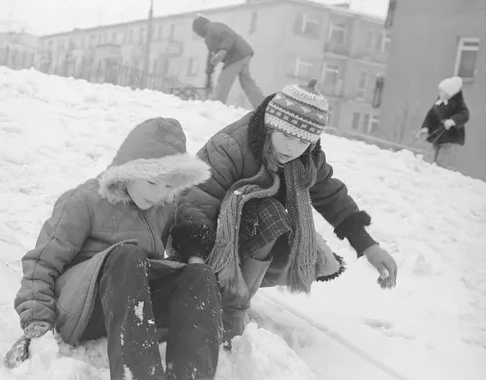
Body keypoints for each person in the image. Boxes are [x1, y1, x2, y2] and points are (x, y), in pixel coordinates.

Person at [3, 117, 221, 380]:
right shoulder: (85, 201)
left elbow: (183, 239)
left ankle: (191, 374)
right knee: (127, 256)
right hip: (81, 308)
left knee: (198, 272)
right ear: (128, 171)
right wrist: (36, 321)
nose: (158, 193)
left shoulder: (161, 207)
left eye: (168, 185)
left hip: (129, 305)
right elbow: (42, 262)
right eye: (152, 182)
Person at [169, 79, 399, 345]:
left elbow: (330, 195)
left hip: (248, 234)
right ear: (270, 125)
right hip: (200, 235)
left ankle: (235, 298)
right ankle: (228, 301)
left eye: (302, 141)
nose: (292, 148)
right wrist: (196, 265)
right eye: (286, 136)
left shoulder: (304, 159)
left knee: (301, 244)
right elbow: (198, 200)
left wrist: (368, 245)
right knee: (269, 213)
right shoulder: (231, 146)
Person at [192, 15, 265, 109]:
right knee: (247, 83)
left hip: (236, 56)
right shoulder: (209, 36)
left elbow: (228, 36)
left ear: (200, 28)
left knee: (224, 80)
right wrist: (209, 75)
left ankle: (215, 106)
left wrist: (223, 50)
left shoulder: (213, 27)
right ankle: (263, 105)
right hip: (244, 54)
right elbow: (211, 57)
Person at [416, 76, 470, 169]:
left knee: (442, 162)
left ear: (450, 93)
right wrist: (426, 127)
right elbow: (431, 116)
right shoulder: (439, 103)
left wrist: (453, 121)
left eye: (442, 91)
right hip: (438, 135)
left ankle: (441, 174)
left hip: (451, 137)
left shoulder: (458, 103)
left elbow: (464, 115)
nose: (439, 93)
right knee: (431, 160)